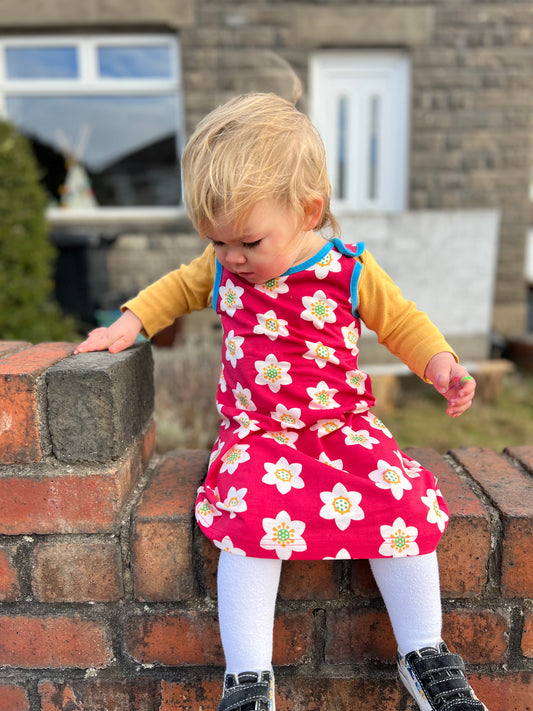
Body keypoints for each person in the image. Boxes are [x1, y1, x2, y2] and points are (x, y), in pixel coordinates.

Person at [75, 92, 486, 711]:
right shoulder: (221, 267)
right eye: (216, 242)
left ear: (307, 211)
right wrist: (128, 324)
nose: (231, 257)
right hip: (258, 434)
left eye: (247, 241)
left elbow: (401, 321)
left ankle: (425, 654)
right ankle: (247, 681)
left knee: (402, 508)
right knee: (249, 521)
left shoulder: (347, 269)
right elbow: (173, 290)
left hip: (343, 428)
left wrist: (441, 364)